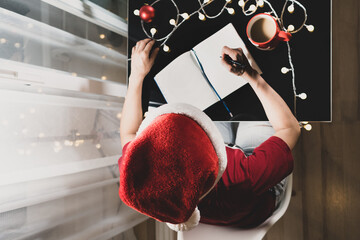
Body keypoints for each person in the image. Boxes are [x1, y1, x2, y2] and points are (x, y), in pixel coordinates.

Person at [118, 38, 300, 231]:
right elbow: (289, 129)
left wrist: (136, 75)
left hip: (208, 199)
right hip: (256, 197)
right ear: (210, 152)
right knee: (258, 118)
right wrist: (251, 75)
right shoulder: (243, 177)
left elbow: (129, 132)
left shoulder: (136, 170)